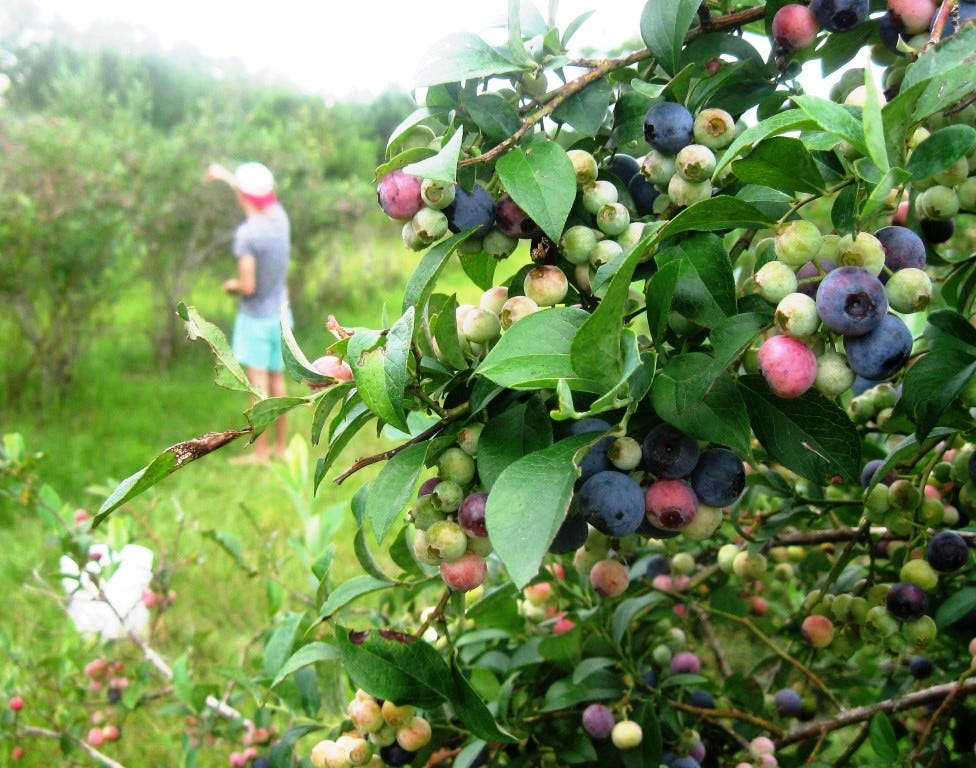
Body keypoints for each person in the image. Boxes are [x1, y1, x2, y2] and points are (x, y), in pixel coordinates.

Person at [205, 161, 291, 464]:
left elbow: (248, 285)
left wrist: (232, 286)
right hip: (281, 313)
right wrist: (226, 176)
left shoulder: (247, 235)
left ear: (242, 197)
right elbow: (254, 193)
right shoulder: (280, 218)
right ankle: (281, 447)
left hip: (255, 318)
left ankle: (260, 453)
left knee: (258, 386)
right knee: (277, 381)